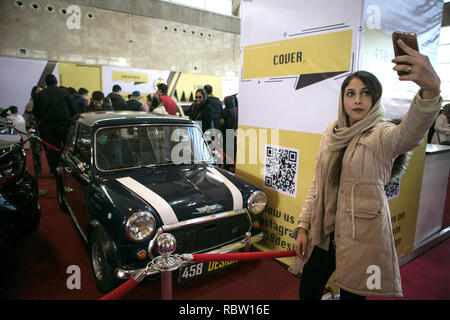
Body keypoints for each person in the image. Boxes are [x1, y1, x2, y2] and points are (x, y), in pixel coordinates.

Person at [290, 39, 442, 300]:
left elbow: (409, 134)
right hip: (325, 235)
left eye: (365, 93)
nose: (357, 100)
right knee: (308, 291)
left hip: (361, 240)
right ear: (343, 98)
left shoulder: (381, 134)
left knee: (353, 297)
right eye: (351, 93)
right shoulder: (331, 132)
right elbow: (317, 185)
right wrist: (304, 226)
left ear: (375, 98)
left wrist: (430, 90)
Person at [33, 74, 77, 174]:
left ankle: (54, 168)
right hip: (65, 124)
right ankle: (68, 167)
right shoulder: (64, 92)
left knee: (53, 148)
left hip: (48, 126)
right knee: (67, 147)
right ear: (56, 81)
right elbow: (73, 109)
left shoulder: (39, 95)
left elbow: (36, 113)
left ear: (46, 83)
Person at [24, 85, 44, 176]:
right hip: (34, 129)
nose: (40, 92)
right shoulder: (31, 103)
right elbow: (27, 117)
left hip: (44, 129)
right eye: (38, 91)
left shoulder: (44, 101)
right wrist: (28, 129)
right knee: (36, 151)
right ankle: (38, 170)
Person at [221, 95, 238, 169]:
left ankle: (227, 168)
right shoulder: (236, 110)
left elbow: (226, 124)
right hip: (235, 133)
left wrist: (221, 123)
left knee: (226, 152)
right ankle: (233, 166)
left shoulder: (225, 111)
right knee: (233, 151)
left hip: (226, 134)